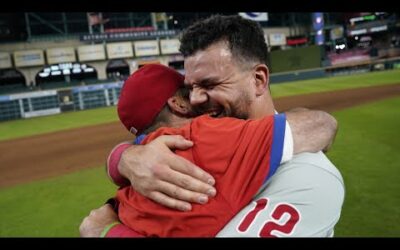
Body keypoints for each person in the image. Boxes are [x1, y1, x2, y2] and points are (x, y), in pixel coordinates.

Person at [80, 15, 345, 237]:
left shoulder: (311, 177)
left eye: (209, 85)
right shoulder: (175, 153)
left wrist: (111, 227)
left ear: (258, 80)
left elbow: (322, 125)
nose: (195, 99)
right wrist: (123, 157)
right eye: (190, 88)